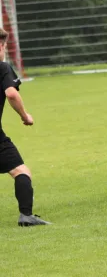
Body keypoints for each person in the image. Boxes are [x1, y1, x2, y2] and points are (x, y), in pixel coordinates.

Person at [0, 29, 51, 226]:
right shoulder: (3, 67)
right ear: (1, 46)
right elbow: (11, 94)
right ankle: (26, 215)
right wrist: (25, 116)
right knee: (20, 171)